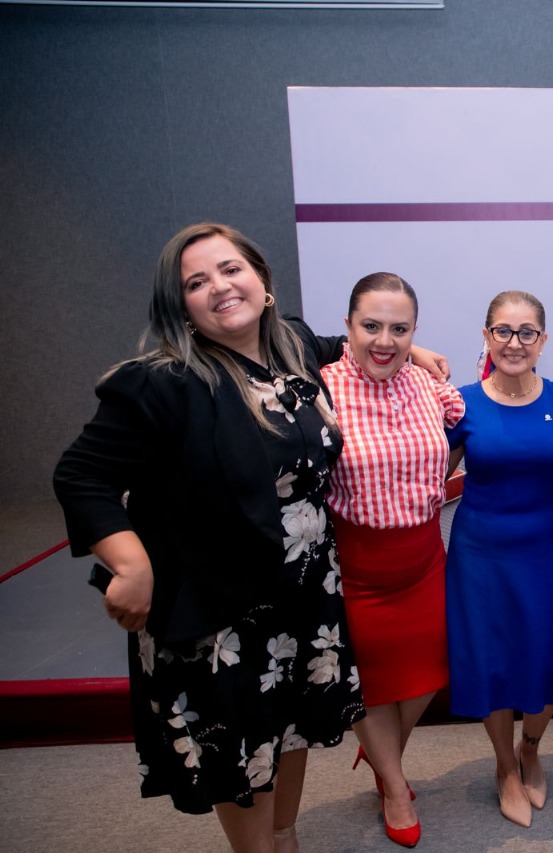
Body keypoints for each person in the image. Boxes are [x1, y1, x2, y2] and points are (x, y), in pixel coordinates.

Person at [53, 223, 364, 853]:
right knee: (245, 747)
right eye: (196, 282)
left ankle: (285, 838)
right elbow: (81, 475)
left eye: (230, 269)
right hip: (224, 611)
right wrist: (130, 565)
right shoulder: (163, 382)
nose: (219, 287)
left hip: (305, 595)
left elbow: (336, 343)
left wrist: (417, 353)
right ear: (181, 306)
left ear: (262, 279)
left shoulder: (292, 345)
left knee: (291, 729)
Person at [321, 272, 464, 849]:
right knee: (373, 682)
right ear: (348, 327)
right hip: (356, 566)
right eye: (371, 326)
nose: (385, 340)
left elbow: (462, 433)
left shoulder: (429, 385)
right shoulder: (320, 389)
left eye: (399, 329)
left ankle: (383, 757)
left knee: (431, 670)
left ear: (415, 332)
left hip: (425, 558)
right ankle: (395, 786)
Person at [443, 290, 553, 828]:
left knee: (548, 653)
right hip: (480, 554)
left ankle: (531, 748)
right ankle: (505, 766)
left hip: (545, 547)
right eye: (503, 331)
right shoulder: (461, 404)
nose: (514, 342)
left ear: (543, 341)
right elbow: (429, 474)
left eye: (527, 332)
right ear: (487, 336)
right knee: (493, 660)